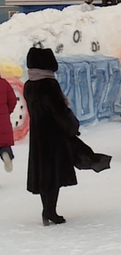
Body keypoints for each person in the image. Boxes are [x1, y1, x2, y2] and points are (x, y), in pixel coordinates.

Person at [24, 47, 111, 226]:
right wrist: (72, 126)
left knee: (44, 173)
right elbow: (59, 110)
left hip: (38, 135)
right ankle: (51, 211)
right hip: (54, 136)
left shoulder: (29, 84)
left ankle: (47, 209)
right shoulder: (49, 84)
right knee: (54, 173)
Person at [0, 74, 17, 172]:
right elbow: (13, 100)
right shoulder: (4, 83)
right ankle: (5, 153)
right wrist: (6, 112)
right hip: (3, 121)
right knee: (3, 144)